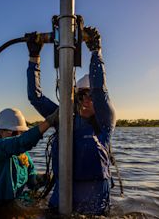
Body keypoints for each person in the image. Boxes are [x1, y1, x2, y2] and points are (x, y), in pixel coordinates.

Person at [26, 27, 116, 215]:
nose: (86, 100)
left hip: (94, 206)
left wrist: (95, 52)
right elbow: (36, 98)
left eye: (90, 95)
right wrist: (34, 58)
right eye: (82, 95)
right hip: (60, 203)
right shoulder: (64, 118)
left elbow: (99, 91)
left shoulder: (105, 122)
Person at [0, 108, 58, 214]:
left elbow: (31, 182)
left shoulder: (24, 156)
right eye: (13, 132)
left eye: (20, 132)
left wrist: (41, 179)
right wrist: (49, 122)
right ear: (1, 131)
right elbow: (20, 142)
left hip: (13, 203)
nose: (17, 135)